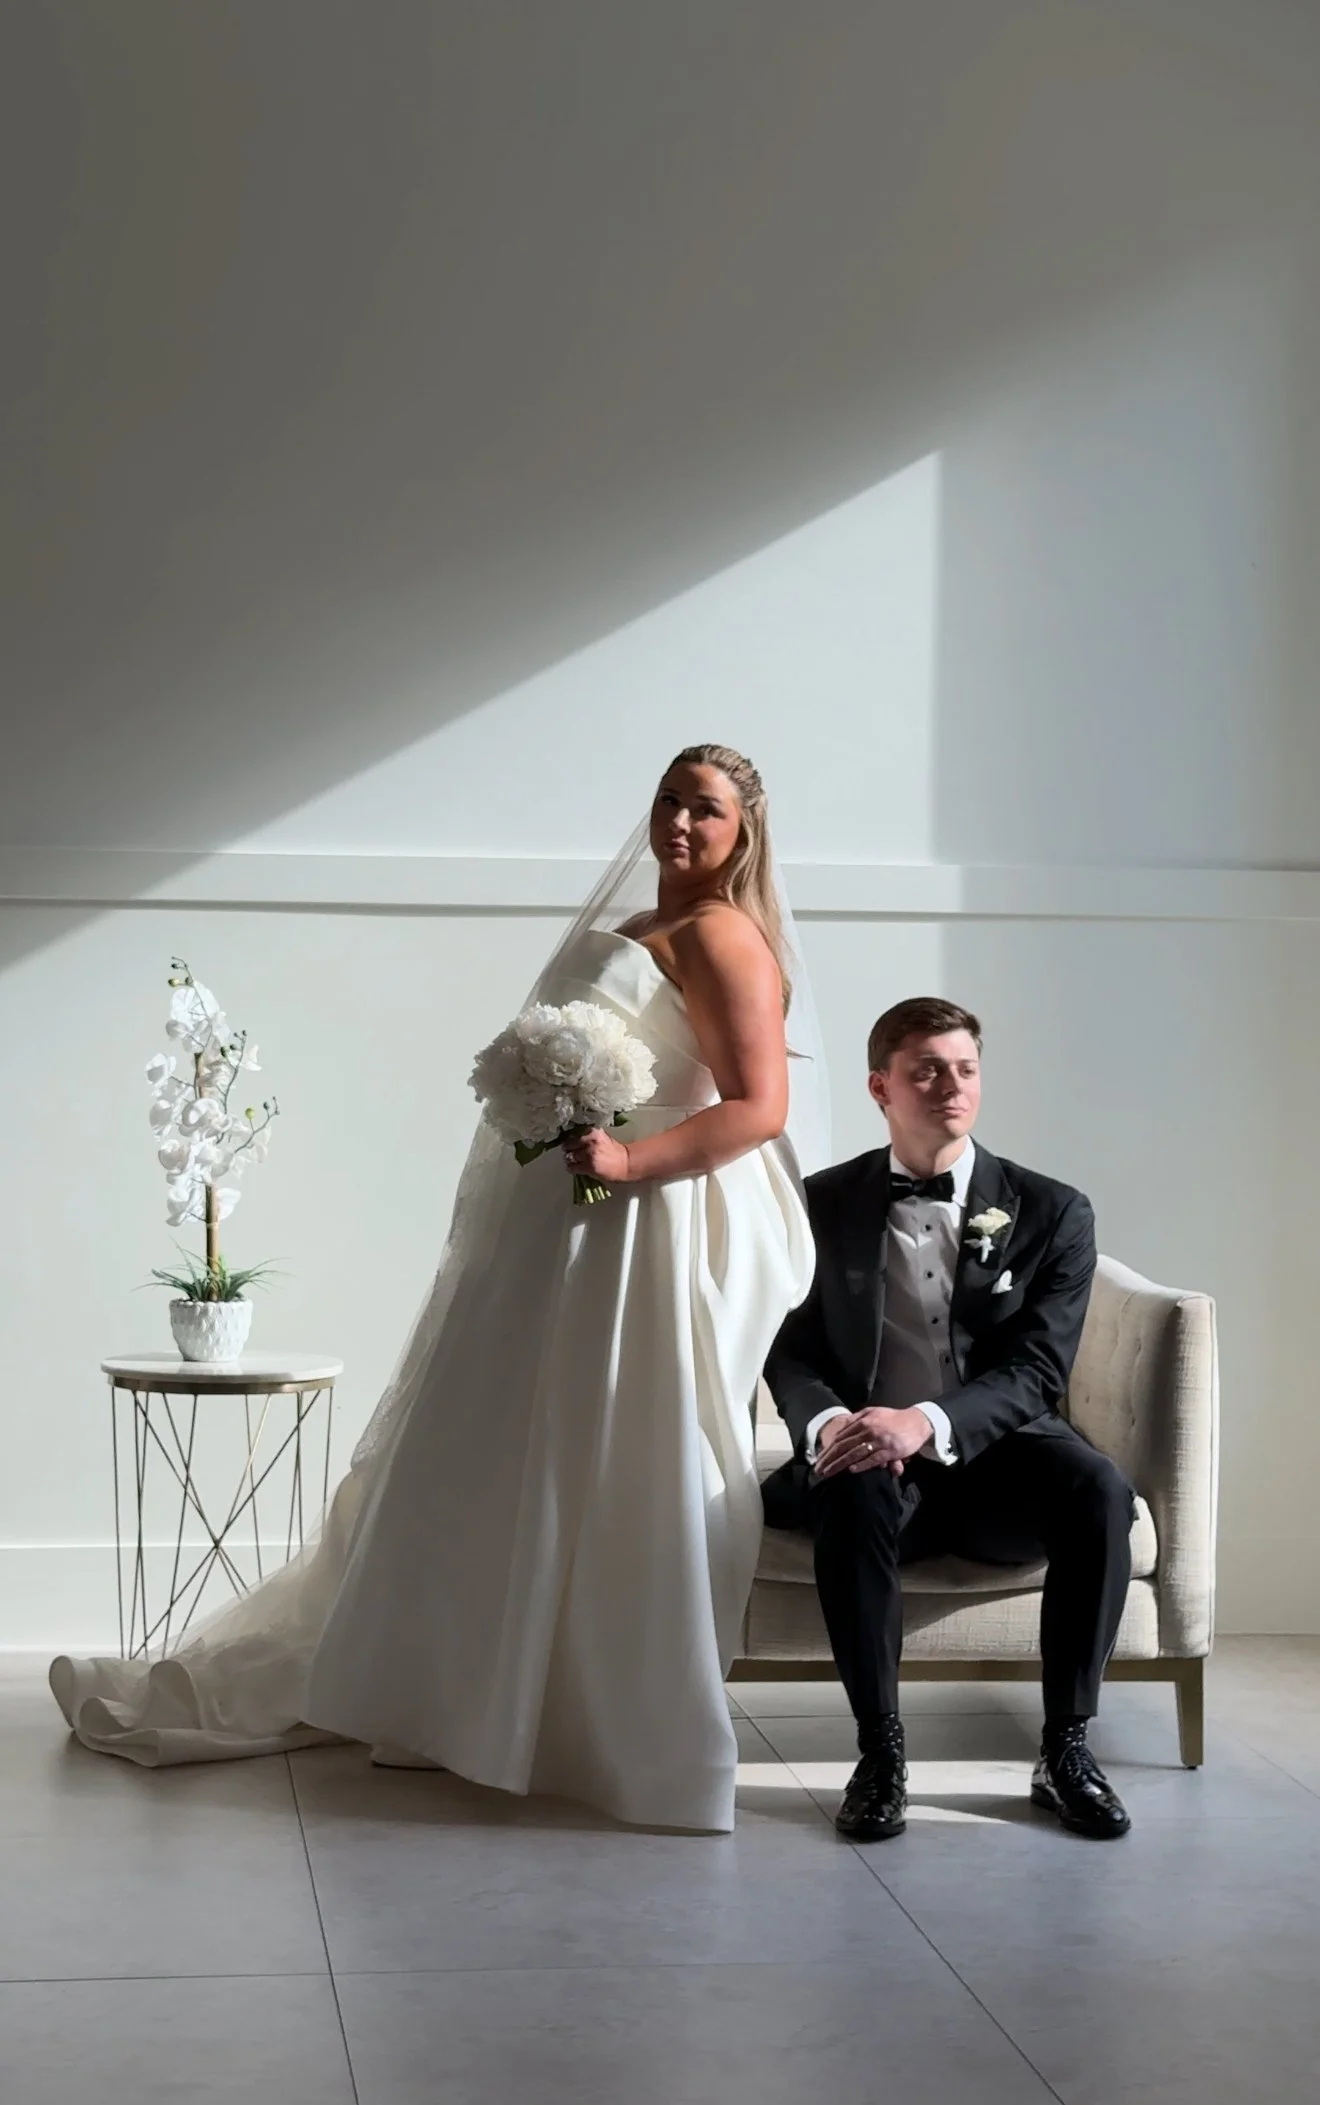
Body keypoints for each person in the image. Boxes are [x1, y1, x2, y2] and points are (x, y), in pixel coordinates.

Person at [50, 745, 821, 1833]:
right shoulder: (637, 932)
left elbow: (760, 1104)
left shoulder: (725, 935)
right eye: (668, 799)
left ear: (745, 830)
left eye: (707, 808)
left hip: (641, 1221)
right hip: (563, 1221)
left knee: (600, 1449)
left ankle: (597, 1727)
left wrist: (631, 1163)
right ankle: (453, 1701)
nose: (681, 823)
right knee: (496, 1445)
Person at [761, 996, 1134, 1841]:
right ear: (879, 1086)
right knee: (851, 1486)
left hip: (998, 1456)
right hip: (871, 1460)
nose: (950, 1087)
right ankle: (881, 1754)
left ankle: (1067, 1748)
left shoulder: (1052, 1210)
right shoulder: (819, 1204)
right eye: (925, 1069)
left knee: (1100, 1487)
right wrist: (830, 1426)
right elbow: (788, 1351)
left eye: (964, 1069)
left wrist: (924, 1420)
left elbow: (1038, 1369)